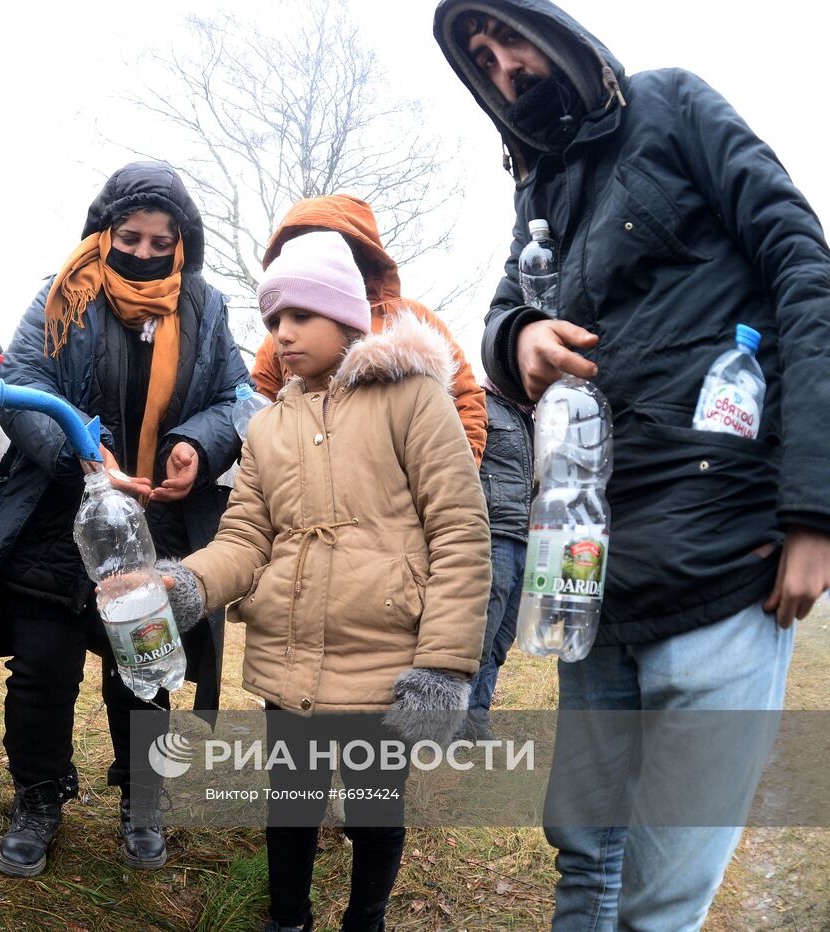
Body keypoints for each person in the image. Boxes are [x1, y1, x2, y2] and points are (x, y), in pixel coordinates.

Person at [434, 1, 830, 926]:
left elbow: (806, 272)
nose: (500, 66)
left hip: (724, 557)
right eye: (479, 59)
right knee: (583, 855)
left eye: (506, 35)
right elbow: (501, 316)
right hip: (592, 573)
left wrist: (815, 512)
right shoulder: (539, 193)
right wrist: (520, 336)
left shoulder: (675, 106)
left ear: (557, 29)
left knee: (660, 895)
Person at [162, 230, 490, 932]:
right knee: (292, 803)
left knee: (374, 809)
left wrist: (442, 664)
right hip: (291, 658)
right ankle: (288, 920)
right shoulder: (270, 429)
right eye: (273, 320)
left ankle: (364, 920)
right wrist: (186, 584)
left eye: (299, 316)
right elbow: (246, 537)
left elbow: (460, 530)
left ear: (345, 317)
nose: (281, 334)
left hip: (383, 659)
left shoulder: (413, 401)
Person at [0, 161, 248, 877]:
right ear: (104, 230)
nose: (146, 253)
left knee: (145, 678)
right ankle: (38, 798)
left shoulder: (205, 310)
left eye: (163, 241)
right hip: (60, 522)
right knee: (41, 674)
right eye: (131, 236)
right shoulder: (63, 297)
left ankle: (142, 803)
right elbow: (20, 386)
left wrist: (196, 443)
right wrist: (82, 457)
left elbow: (237, 396)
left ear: (184, 242)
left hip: (152, 533)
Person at [245, 195, 488, 466]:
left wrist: (450, 476)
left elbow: (465, 399)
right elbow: (259, 417)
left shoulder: (412, 321)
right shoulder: (277, 342)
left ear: (358, 253)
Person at [464, 384, 534, 741]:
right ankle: (453, 723)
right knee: (480, 634)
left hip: (526, 537)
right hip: (493, 533)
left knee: (502, 639)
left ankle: (477, 718)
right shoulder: (480, 403)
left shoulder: (531, 416)